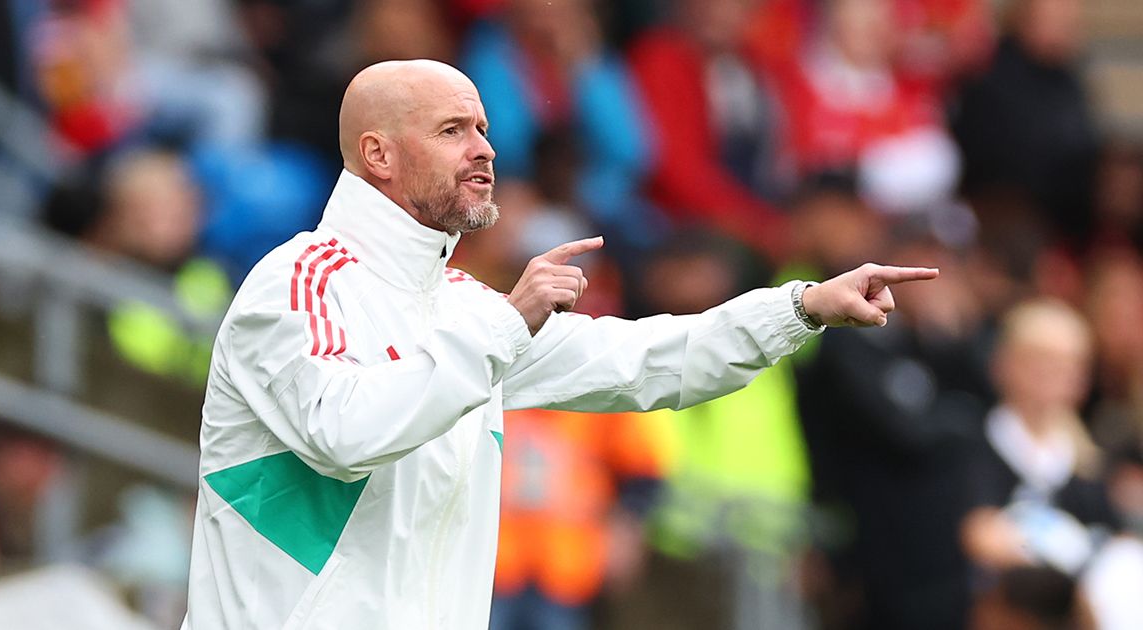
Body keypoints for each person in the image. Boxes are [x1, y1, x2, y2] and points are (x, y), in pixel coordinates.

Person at [180, 59, 937, 630]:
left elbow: (647, 361)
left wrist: (800, 307)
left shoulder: (468, 310)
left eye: (482, 128)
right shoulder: (301, 280)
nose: (484, 150)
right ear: (378, 155)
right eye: (453, 131)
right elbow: (343, 433)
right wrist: (506, 327)